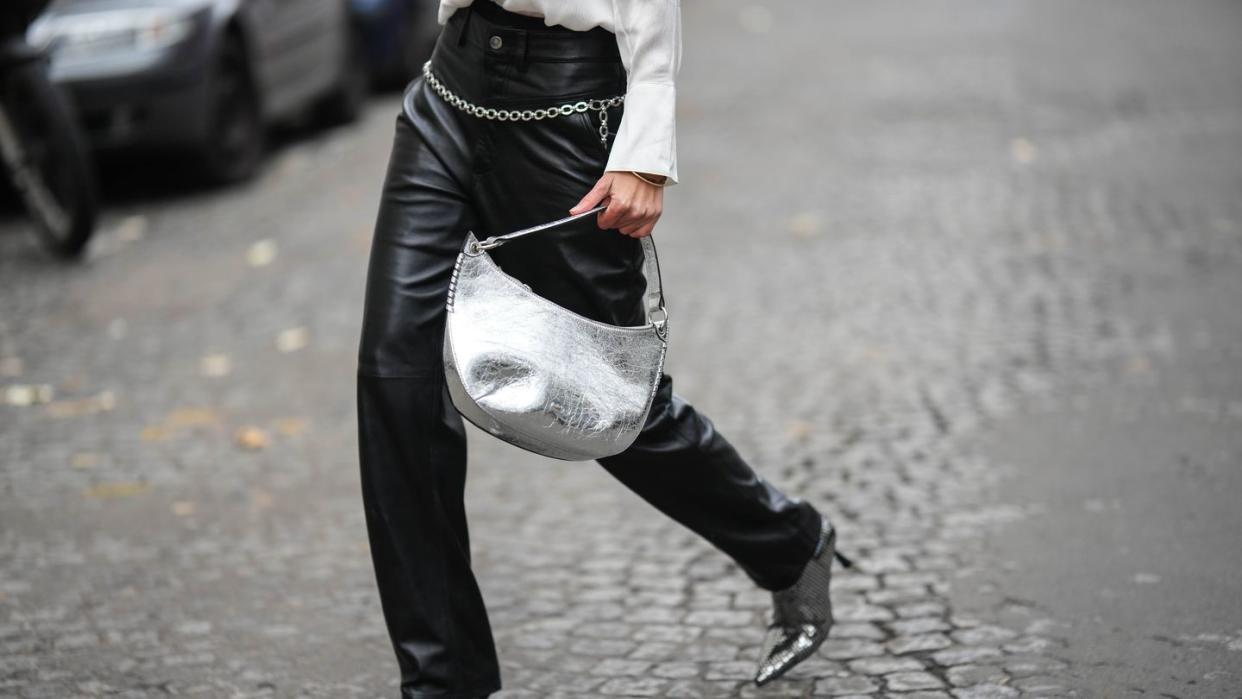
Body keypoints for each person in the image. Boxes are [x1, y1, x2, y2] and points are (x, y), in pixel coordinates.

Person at [356, 2, 850, 696]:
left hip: (565, 105)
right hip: (449, 86)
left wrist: (645, 149)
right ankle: (444, 680)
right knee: (393, 377)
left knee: (608, 397)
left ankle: (788, 543)